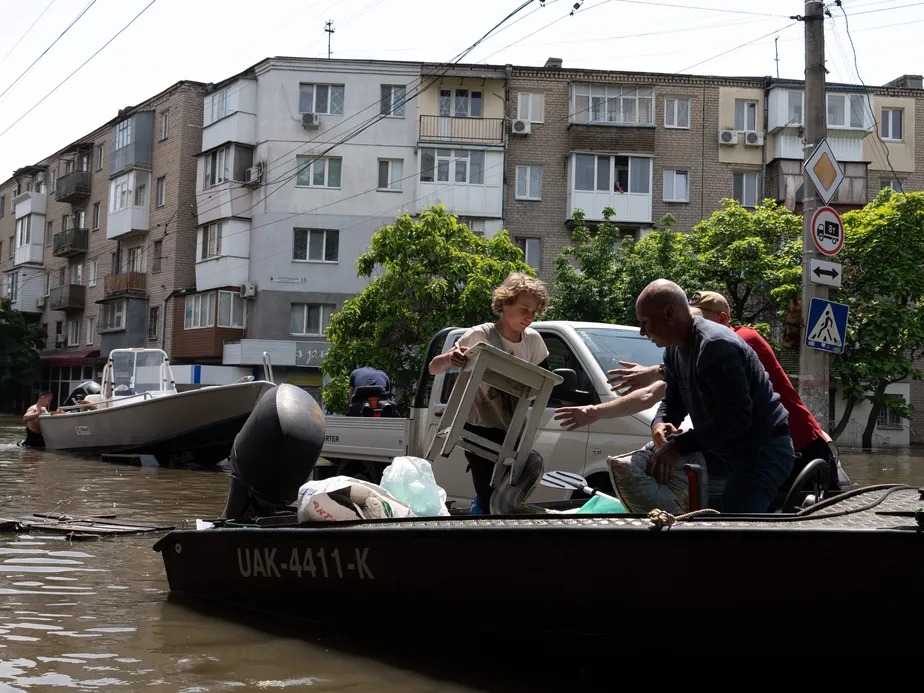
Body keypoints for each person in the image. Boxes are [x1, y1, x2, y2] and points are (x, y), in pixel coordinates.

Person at [636, 279, 794, 513]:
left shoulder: (715, 346)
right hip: (730, 451)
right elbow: (673, 402)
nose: (642, 331)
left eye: (644, 322)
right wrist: (660, 423)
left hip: (763, 451)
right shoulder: (674, 349)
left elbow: (737, 418)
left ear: (669, 313)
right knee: (698, 511)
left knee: (733, 526)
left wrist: (678, 446)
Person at [688, 290, 840, 490]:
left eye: (700, 320)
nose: (694, 327)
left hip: (802, 446)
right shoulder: (709, 346)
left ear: (722, 318)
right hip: (775, 447)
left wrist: (659, 372)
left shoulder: (740, 339)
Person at [428, 272, 550, 514]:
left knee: (514, 481)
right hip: (478, 423)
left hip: (513, 426)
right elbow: (434, 367)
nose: (529, 316)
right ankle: (484, 526)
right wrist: (450, 359)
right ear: (504, 303)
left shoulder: (533, 341)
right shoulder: (479, 335)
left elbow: (546, 380)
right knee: (487, 489)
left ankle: (489, 516)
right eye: (524, 308)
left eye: (533, 312)